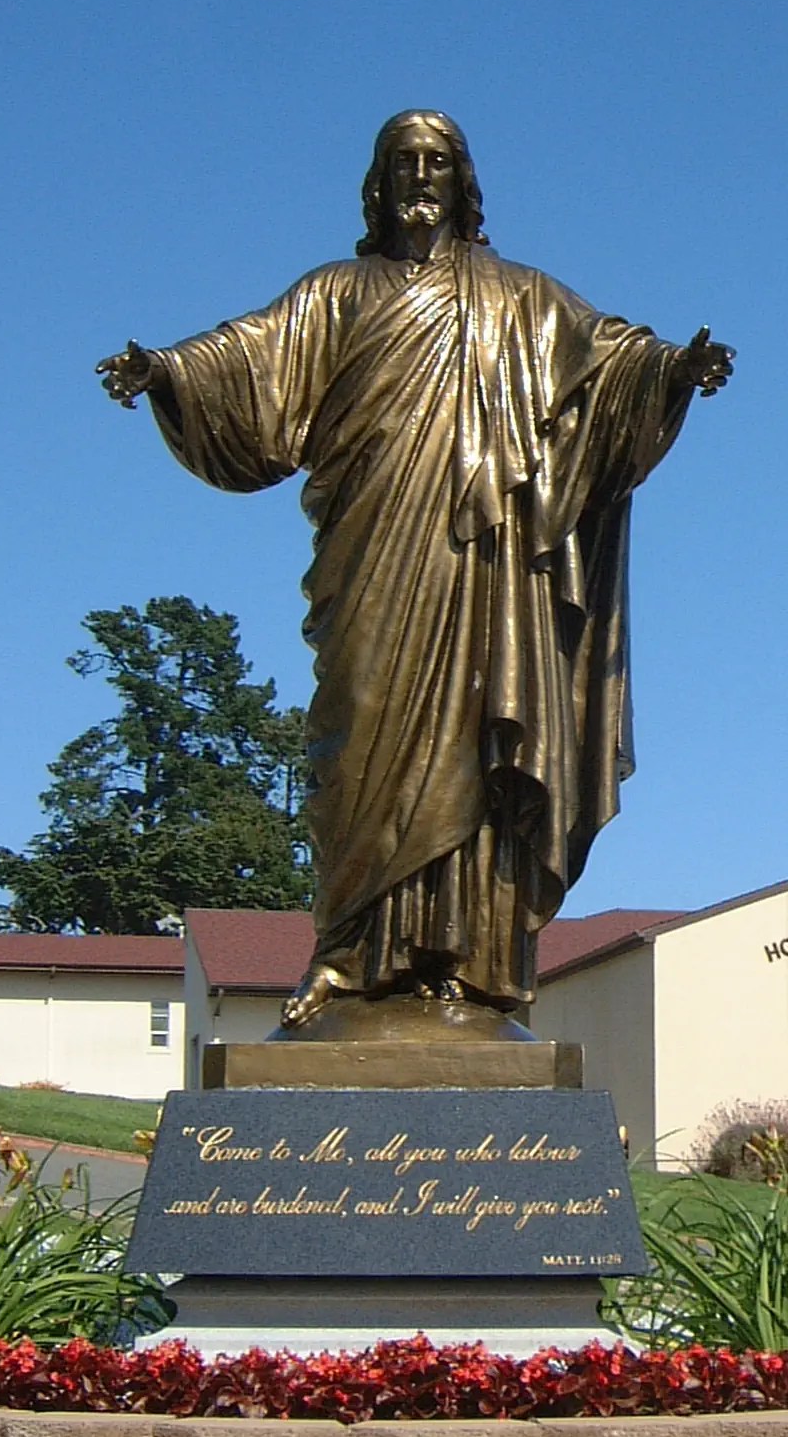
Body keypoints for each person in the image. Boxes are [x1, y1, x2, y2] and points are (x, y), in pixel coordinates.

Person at [99, 110, 731, 1029]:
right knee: (356, 732)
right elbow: (251, 357)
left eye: (437, 161)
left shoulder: (520, 297)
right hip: (373, 550)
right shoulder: (335, 293)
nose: (421, 177)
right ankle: (347, 953)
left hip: (485, 567)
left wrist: (672, 370)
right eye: (404, 163)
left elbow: (603, 362)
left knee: (479, 732)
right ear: (379, 182)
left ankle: (467, 962)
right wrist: (166, 371)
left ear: (463, 180)